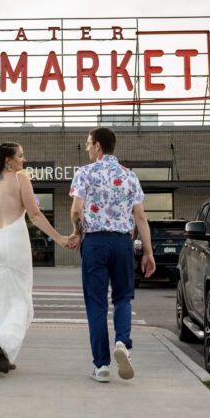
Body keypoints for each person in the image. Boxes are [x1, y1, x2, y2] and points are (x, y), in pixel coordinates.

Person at [0, 142, 73, 375]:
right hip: (13, 240)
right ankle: (2, 342)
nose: (23, 160)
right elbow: (35, 215)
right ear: (8, 160)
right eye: (20, 156)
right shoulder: (20, 179)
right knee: (18, 297)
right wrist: (59, 238)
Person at [70, 127, 155, 383]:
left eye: (88, 143)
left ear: (97, 146)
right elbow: (140, 216)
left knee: (96, 303)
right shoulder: (129, 176)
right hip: (122, 242)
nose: (86, 148)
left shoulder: (84, 173)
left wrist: (78, 232)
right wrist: (148, 252)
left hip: (95, 242)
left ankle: (102, 366)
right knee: (122, 298)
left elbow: (76, 210)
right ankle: (122, 342)